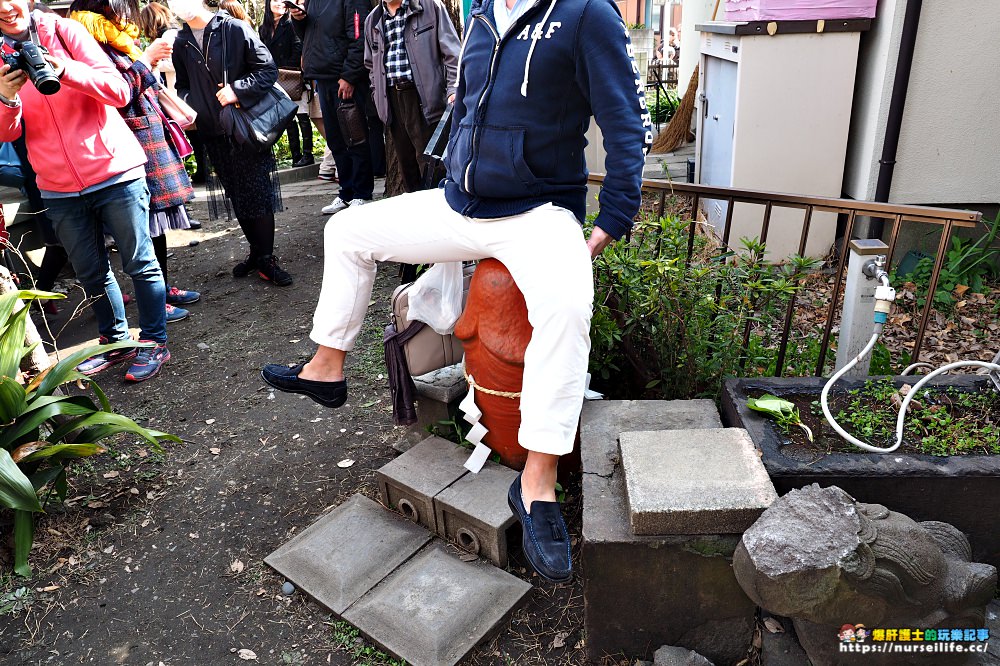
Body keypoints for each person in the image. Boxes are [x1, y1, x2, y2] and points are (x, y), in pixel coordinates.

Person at [263, 0, 651, 582]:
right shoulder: (482, 15)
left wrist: (612, 216)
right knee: (346, 229)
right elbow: (465, 107)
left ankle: (538, 480)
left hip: (539, 212)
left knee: (568, 308)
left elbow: (625, 121)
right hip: (461, 203)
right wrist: (456, 165)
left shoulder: (585, 13)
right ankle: (327, 366)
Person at [0, 0, 172, 382]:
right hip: (57, 185)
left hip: (114, 171)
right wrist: (5, 97)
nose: (4, 8)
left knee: (140, 263)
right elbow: (6, 133)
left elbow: (119, 91)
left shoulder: (66, 31)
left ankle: (154, 343)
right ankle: (115, 341)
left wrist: (66, 69)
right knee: (91, 274)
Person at [70, 0, 202, 323]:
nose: (131, 12)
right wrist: (146, 59)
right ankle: (157, 300)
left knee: (155, 225)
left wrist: (149, 64)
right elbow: (120, 93)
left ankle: (164, 289)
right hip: (130, 141)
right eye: (125, 5)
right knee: (144, 228)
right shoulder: (92, 41)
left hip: (146, 134)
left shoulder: (114, 36)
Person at [170, 0, 293, 286]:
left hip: (246, 127)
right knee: (237, 194)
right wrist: (190, 105)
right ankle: (256, 253)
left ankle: (267, 259)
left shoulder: (234, 29)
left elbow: (267, 70)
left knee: (258, 194)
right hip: (212, 131)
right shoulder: (181, 41)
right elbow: (183, 85)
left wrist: (237, 90)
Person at [289, 0, 376, 214]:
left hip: (344, 78)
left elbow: (359, 36)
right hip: (322, 76)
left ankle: (362, 193)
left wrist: (350, 75)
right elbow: (308, 34)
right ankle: (346, 192)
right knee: (336, 140)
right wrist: (298, 19)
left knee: (355, 137)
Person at [363, 0, 459, 193]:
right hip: (391, 99)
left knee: (434, 165)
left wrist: (453, 89)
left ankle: (440, 210)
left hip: (425, 97)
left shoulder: (430, 6)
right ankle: (416, 217)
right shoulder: (373, 19)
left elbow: (453, 54)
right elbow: (370, 65)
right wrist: (377, 95)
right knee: (407, 167)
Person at [138, 1, 209, 197]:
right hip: (184, 89)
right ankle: (203, 170)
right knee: (194, 133)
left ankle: (204, 171)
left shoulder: (169, 35)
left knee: (195, 132)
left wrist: (151, 62)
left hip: (180, 90)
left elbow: (174, 63)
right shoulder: (174, 32)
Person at [259, 0, 313, 167]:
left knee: (302, 115)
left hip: (293, 75)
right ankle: (295, 155)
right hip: (275, 78)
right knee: (288, 118)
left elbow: (298, 47)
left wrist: (286, 70)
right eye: (275, 0)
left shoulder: (290, 23)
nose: (280, 3)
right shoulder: (264, 29)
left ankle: (307, 154)